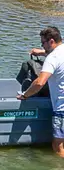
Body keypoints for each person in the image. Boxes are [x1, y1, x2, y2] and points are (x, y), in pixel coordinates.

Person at [18, 26, 64, 155]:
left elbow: (39, 83)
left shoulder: (53, 58)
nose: (42, 46)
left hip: (62, 109)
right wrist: (42, 52)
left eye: (43, 43)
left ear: (51, 41)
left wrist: (25, 95)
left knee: (58, 147)